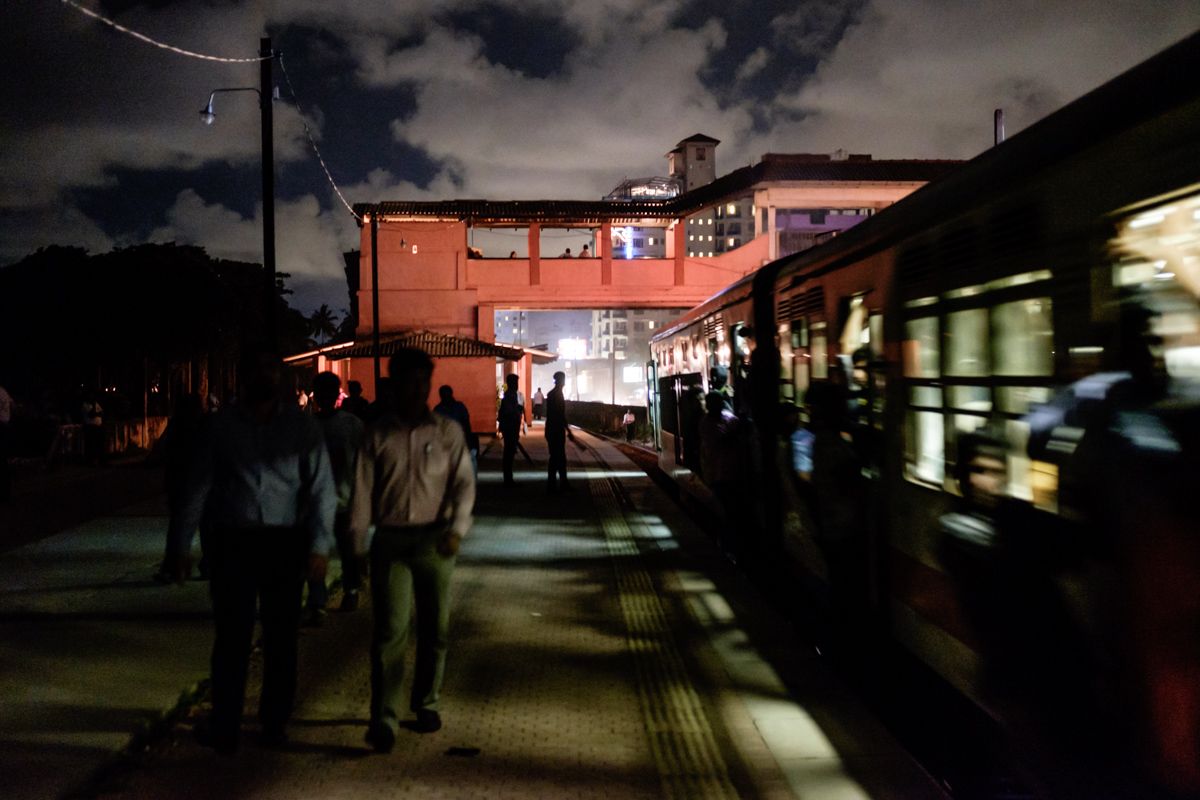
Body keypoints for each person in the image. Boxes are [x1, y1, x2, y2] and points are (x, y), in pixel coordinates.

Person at [166, 344, 336, 756]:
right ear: (242, 377)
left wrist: (318, 547)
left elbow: (321, 490)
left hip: (284, 542)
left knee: (281, 638)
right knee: (232, 638)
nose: (265, 375)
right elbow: (197, 488)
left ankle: (274, 722)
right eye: (256, 368)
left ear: (281, 377)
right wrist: (180, 546)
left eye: (271, 368)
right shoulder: (220, 427)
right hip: (233, 544)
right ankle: (225, 725)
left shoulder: (301, 426)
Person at [350, 348, 475, 752]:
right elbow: (361, 494)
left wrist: (457, 528)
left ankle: (426, 703)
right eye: (408, 381)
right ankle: (383, 717)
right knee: (389, 632)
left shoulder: (446, 433)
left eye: (423, 380)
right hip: (390, 541)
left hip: (435, 541)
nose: (416, 389)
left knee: (435, 628)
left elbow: (463, 484)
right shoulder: (377, 434)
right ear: (394, 383)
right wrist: (356, 547)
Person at [304, 372, 366, 625]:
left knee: (347, 550)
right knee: (314, 552)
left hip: (344, 501)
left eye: (330, 392)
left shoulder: (350, 424)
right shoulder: (307, 425)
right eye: (322, 393)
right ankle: (318, 603)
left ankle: (350, 589)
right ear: (316, 396)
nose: (326, 398)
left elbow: (363, 461)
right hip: (313, 503)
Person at [155, 393, 207, 584]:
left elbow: (166, 452)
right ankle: (205, 565)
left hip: (180, 481)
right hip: (195, 481)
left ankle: (172, 566)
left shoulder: (177, 425)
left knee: (178, 524)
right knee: (206, 526)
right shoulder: (203, 425)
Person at [699, 391, 745, 558]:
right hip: (718, 476)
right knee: (725, 513)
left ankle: (731, 546)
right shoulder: (705, 423)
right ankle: (727, 546)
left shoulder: (728, 418)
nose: (715, 408)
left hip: (732, 474)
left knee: (731, 513)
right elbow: (721, 437)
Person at [434, 385, 479, 474]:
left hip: (459, 439)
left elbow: (466, 423)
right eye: (443, 395)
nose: (445, 397)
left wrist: (468, 439)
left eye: (446, 394)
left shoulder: (459, 407)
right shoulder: (438, 409)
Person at [544, 371, 576, 492]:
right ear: (561, 381)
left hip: (552, 429)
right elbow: (559, 415)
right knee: (558, 457)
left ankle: (556, 483)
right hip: (556, 430)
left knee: (556, 457)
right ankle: (558, 484)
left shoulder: (552, 394)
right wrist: (568, 431)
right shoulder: (556, 396)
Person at [497, 374, 524, 487]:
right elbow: (510, 412)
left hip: (511, 428)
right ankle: (508, 479)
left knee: (509, 454)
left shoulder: (510, 395)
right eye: (515, 382)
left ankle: (508, 478)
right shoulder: (509, 396)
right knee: (509, 454)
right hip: (510, 429)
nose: (517, 385)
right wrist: (518, 409)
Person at [81, 394, 105, 466]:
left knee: (99, 445)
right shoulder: (85, 405)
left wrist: (96, 413)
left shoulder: (96, 404)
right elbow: (91, 415)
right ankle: (91, 462)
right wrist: (95, 410)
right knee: (92, 445)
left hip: (97, 426)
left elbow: (102, 412)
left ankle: (99, 461)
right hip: (90, 427)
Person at [0, 381, 13, 503]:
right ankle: (6, 492)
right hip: (5, 426)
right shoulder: (4, 391)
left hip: (1, 426)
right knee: (3, 460)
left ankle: (5, 493)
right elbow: (13, 405)